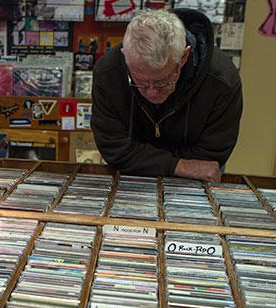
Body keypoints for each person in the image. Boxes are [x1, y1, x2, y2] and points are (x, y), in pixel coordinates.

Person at [91, 9, 242, 182]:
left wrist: (141, 157)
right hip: (130, 178)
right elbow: (114, 148)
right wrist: (179, 165)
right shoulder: (108, 73)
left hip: (192, 185)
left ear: (184, 57)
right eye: (140, 81)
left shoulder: (222, 81)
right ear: (125, 56)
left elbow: (210, 157)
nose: (152, 91)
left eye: (163, 81)